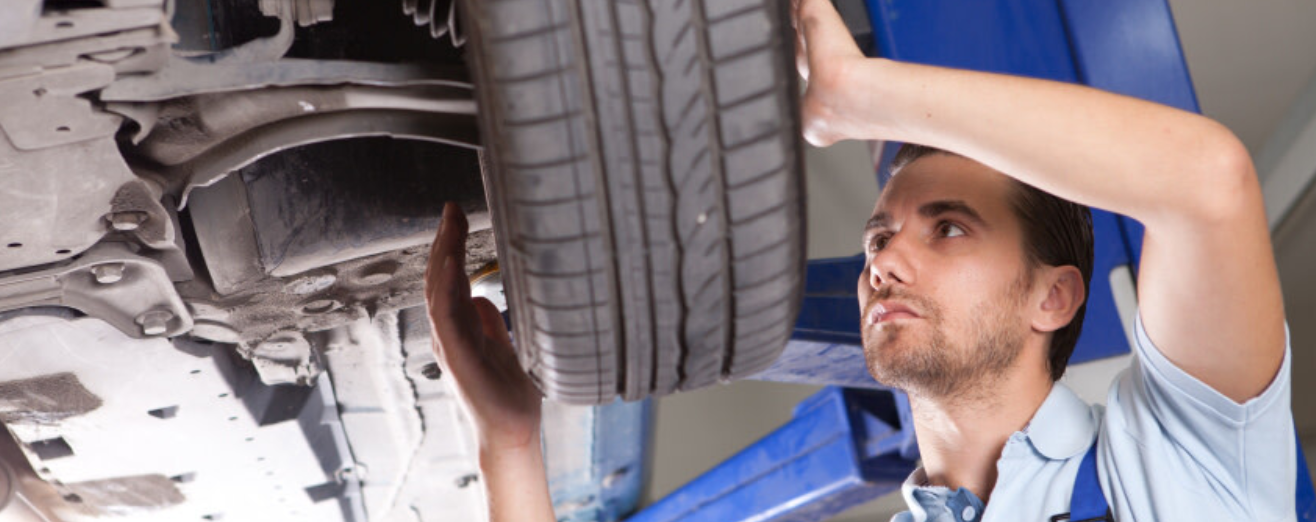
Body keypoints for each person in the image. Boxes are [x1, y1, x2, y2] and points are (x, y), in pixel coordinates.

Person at [422, 0, 1296, 519]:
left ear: (1054, 296)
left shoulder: (1186, 459)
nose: (883, 259)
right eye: (879, 236)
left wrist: (863, 97)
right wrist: (511, 445)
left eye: (946, 228)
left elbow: (1207, 182)